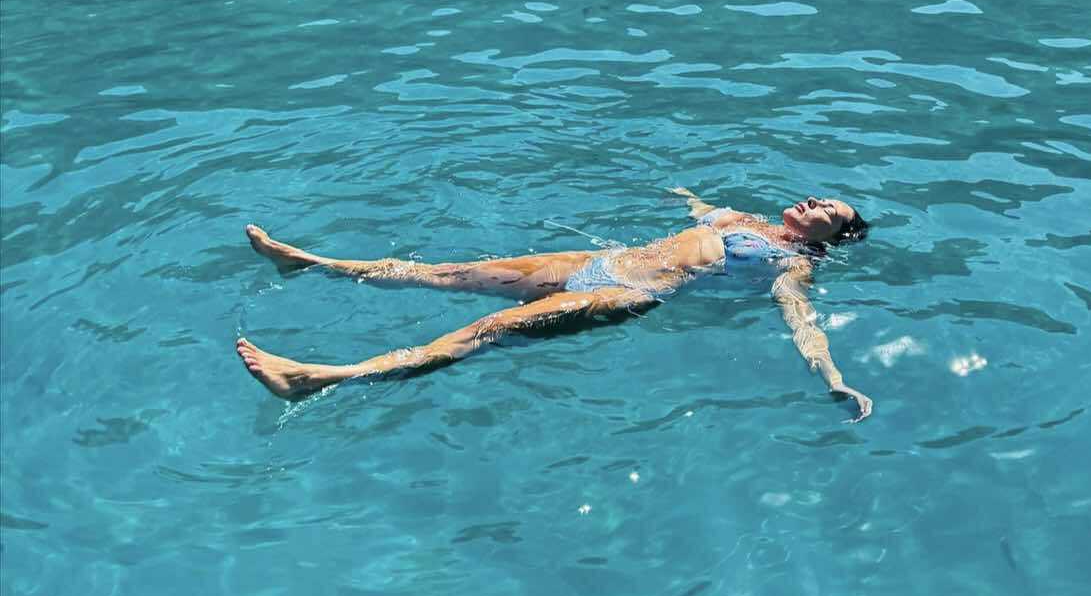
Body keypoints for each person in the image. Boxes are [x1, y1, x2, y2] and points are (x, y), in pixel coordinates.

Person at [236, 189, 874, 416]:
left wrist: (833, 377)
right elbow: (700, 213)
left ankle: (320, 378)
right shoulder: (746, 218)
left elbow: (801, 320)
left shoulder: (792, 263)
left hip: (627, 292)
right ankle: (309, 262)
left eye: (830, 211)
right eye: (818, 197)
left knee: (486, 329)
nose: (814, 203)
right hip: (598, 262)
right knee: (447, 274)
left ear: (833, 238)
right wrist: (685, 195)